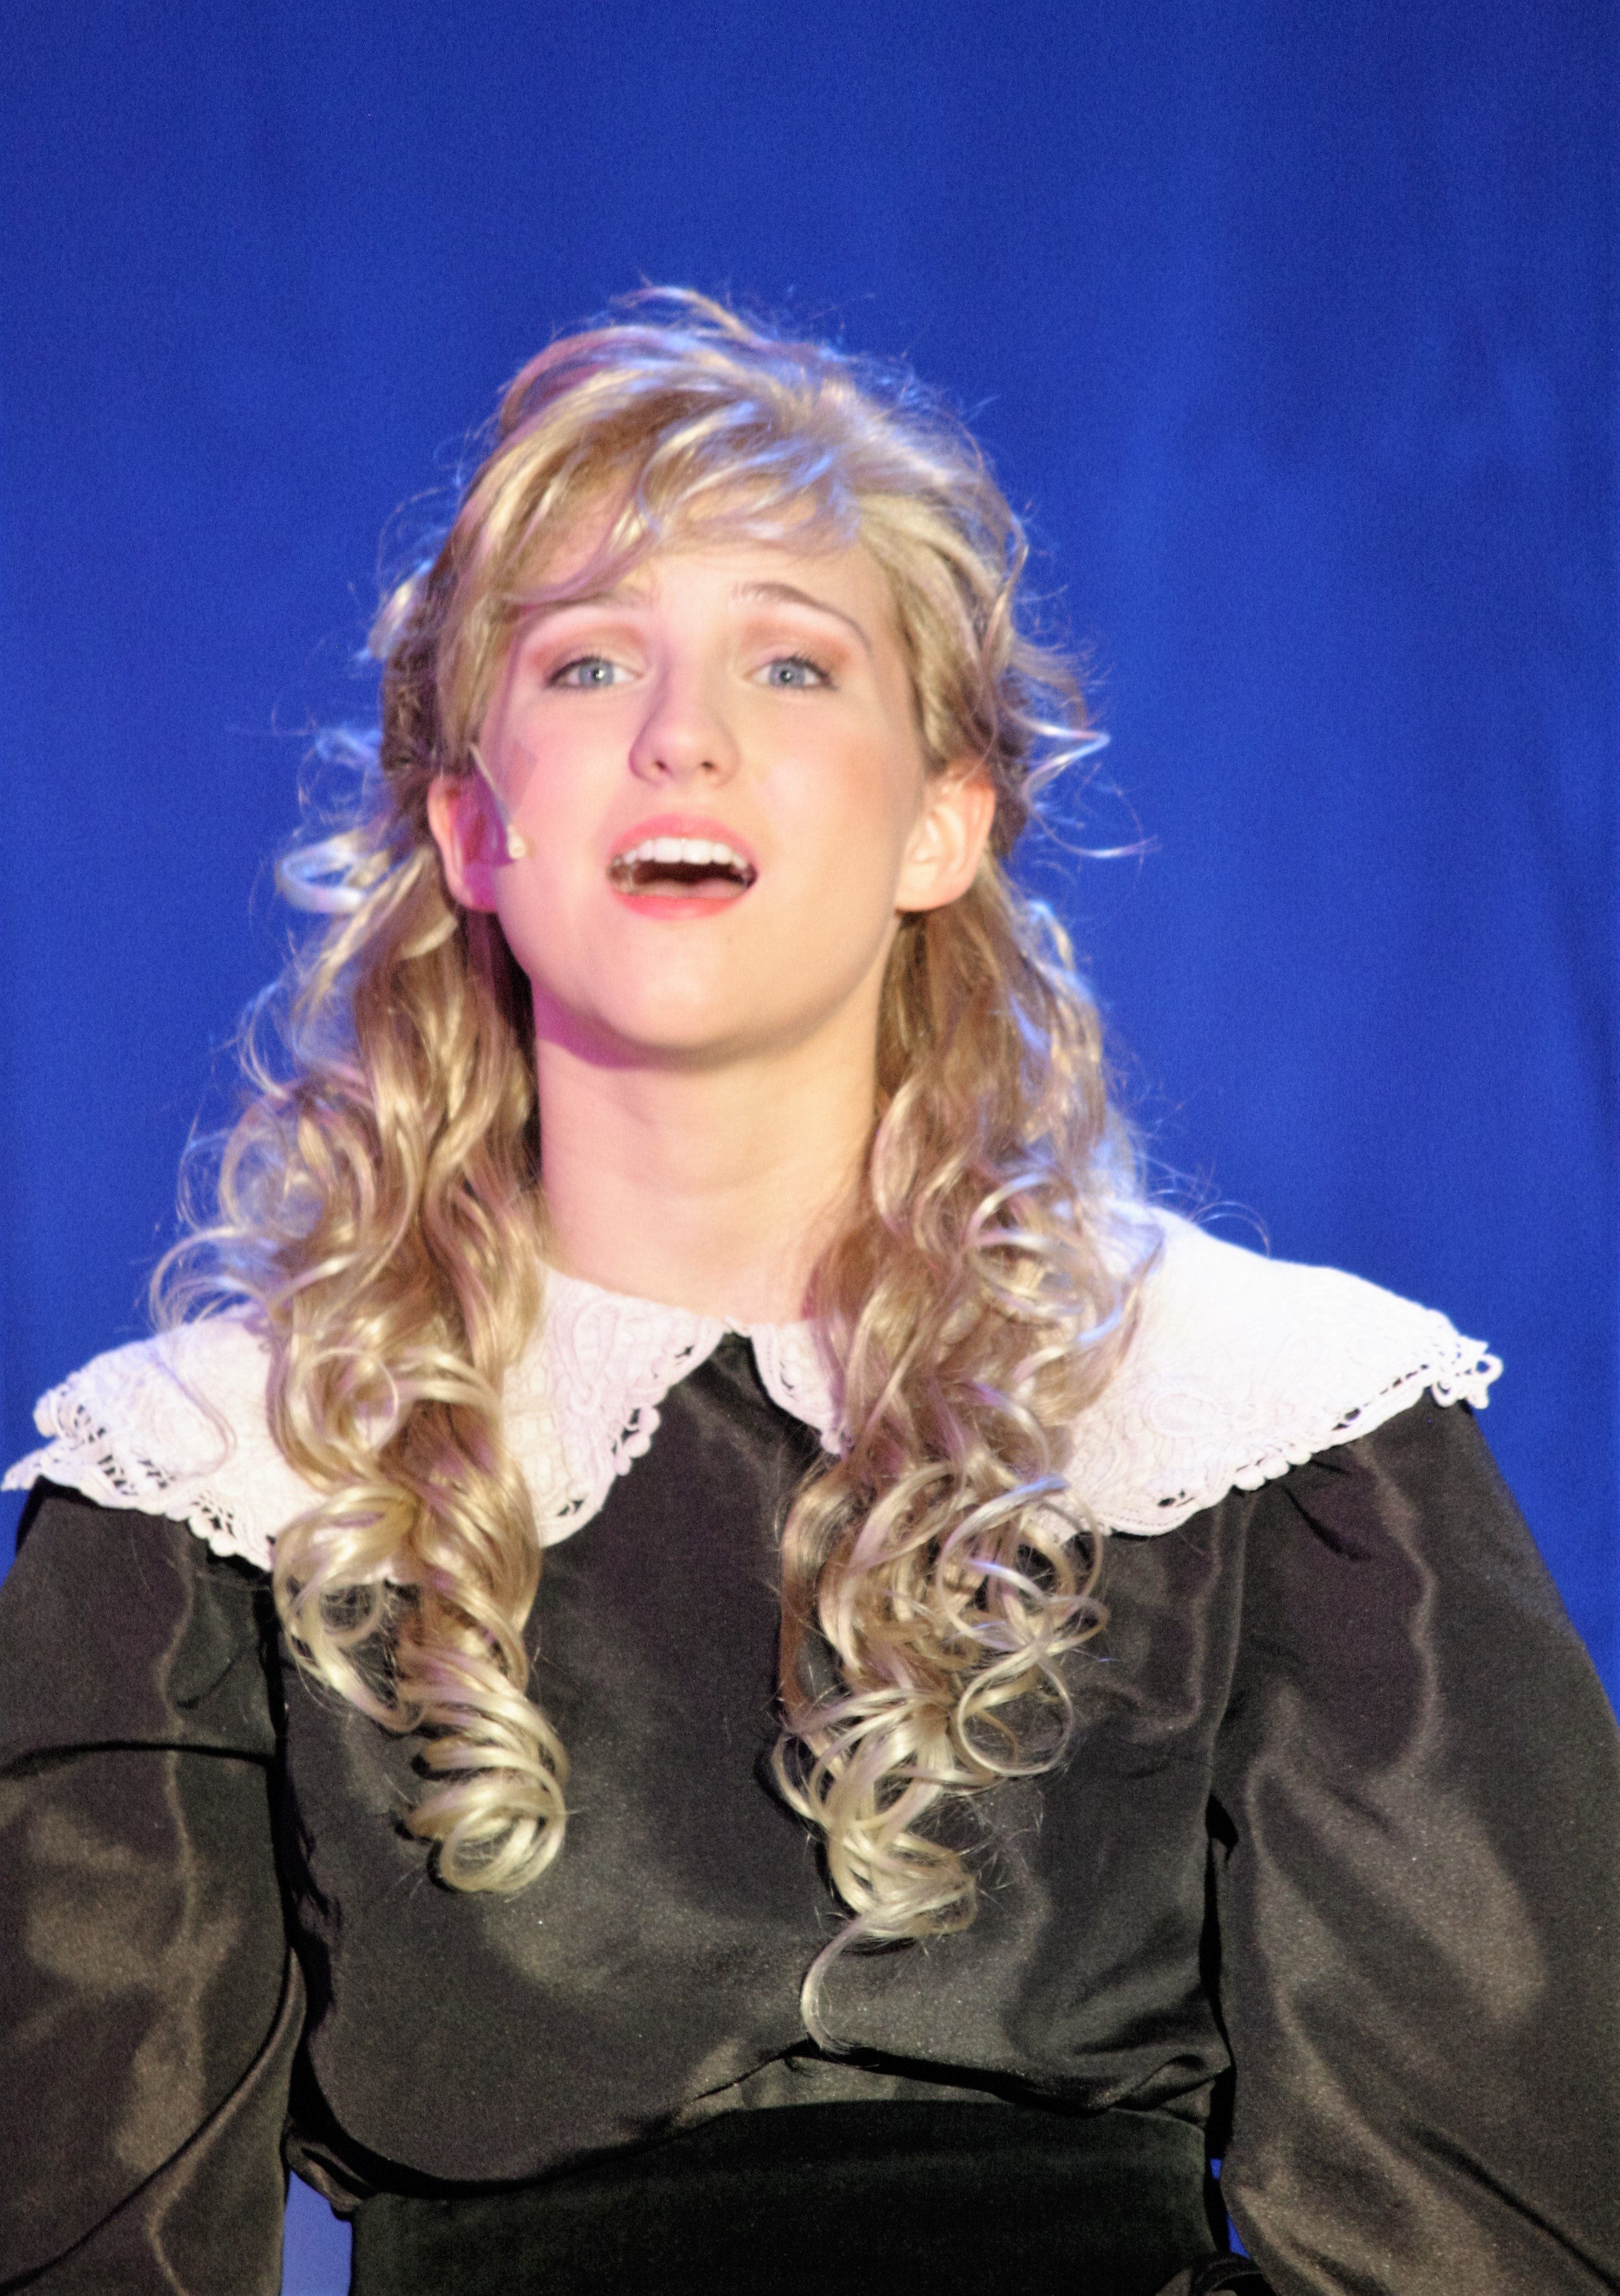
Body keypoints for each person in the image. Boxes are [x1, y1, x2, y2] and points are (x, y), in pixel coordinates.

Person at [1, 292, 1616, 2296]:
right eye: (589, 661)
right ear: (472, 825)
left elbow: (1472, 2237)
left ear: (945, 816)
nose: (682, 733)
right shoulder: (214, 1477)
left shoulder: (1257, 1426)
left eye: (790, 659)